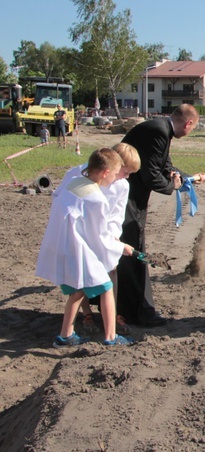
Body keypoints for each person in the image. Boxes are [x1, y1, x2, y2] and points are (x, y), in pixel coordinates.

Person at [118, 104, 205, 327]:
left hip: (132, 199)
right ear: (188, 124)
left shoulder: (161, 130)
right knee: (133, 252)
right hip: (127, 200)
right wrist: (173, 186)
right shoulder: (159, 132)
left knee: (131, 251)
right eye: (192, 128)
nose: (190, 132)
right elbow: (152, 176)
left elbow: (165, 166)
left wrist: (189, 178)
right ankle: (138, 313)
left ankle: (129, 309)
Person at [36, 148, 135, 347]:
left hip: (62, 246)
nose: (117, 179)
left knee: (77, 291)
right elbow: (99, 235)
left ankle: (65, 336)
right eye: (116, 174)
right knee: (106, 287)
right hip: (77, 250)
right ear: (106, 173)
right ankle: (111, 337)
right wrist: (120, 246)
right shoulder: (96, 199)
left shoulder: (74, 183)